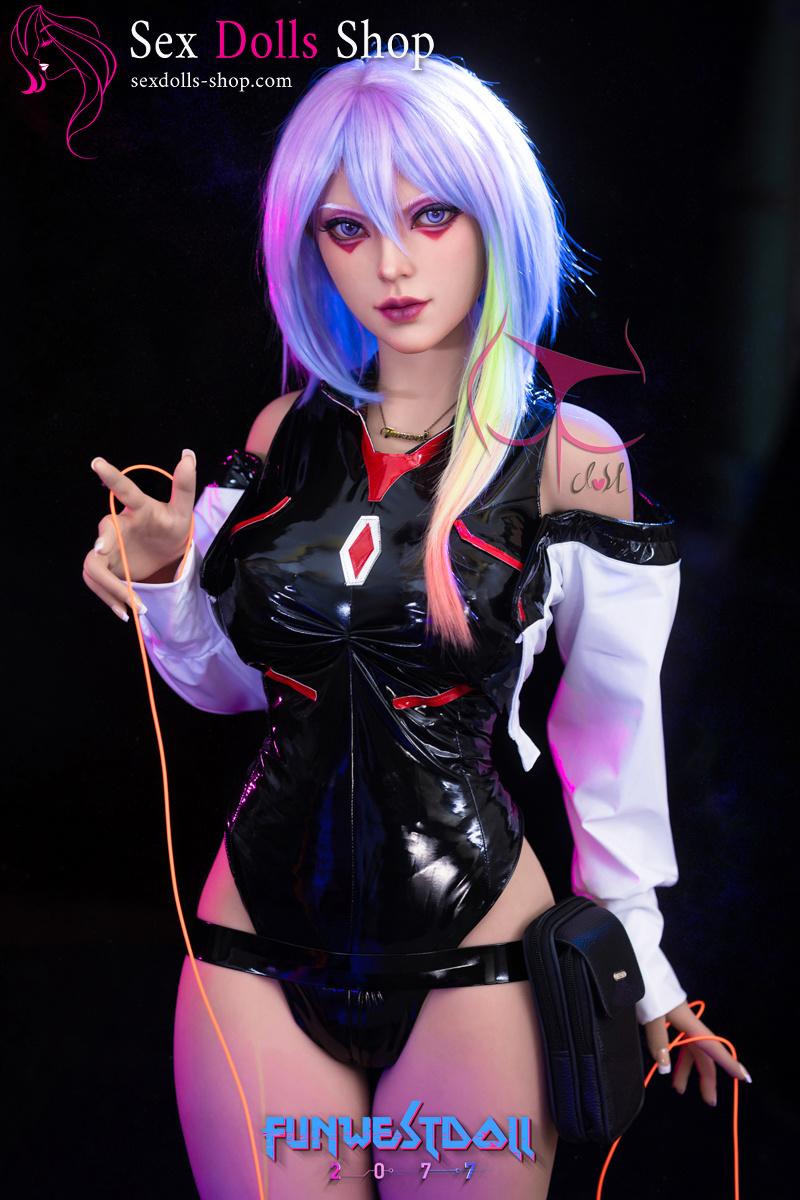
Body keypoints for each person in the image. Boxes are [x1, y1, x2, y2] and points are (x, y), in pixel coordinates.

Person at [82, 53, 748, 1200]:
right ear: (309, 246)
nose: (390, 264)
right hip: (251, 949)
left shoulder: (570, 458)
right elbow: (230, 690)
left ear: (493, 214)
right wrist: (166, 581)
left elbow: (607, 738)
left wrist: (642, 970)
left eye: (429, 215)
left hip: (477, 960)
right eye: (347, 228)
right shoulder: (282, 433)